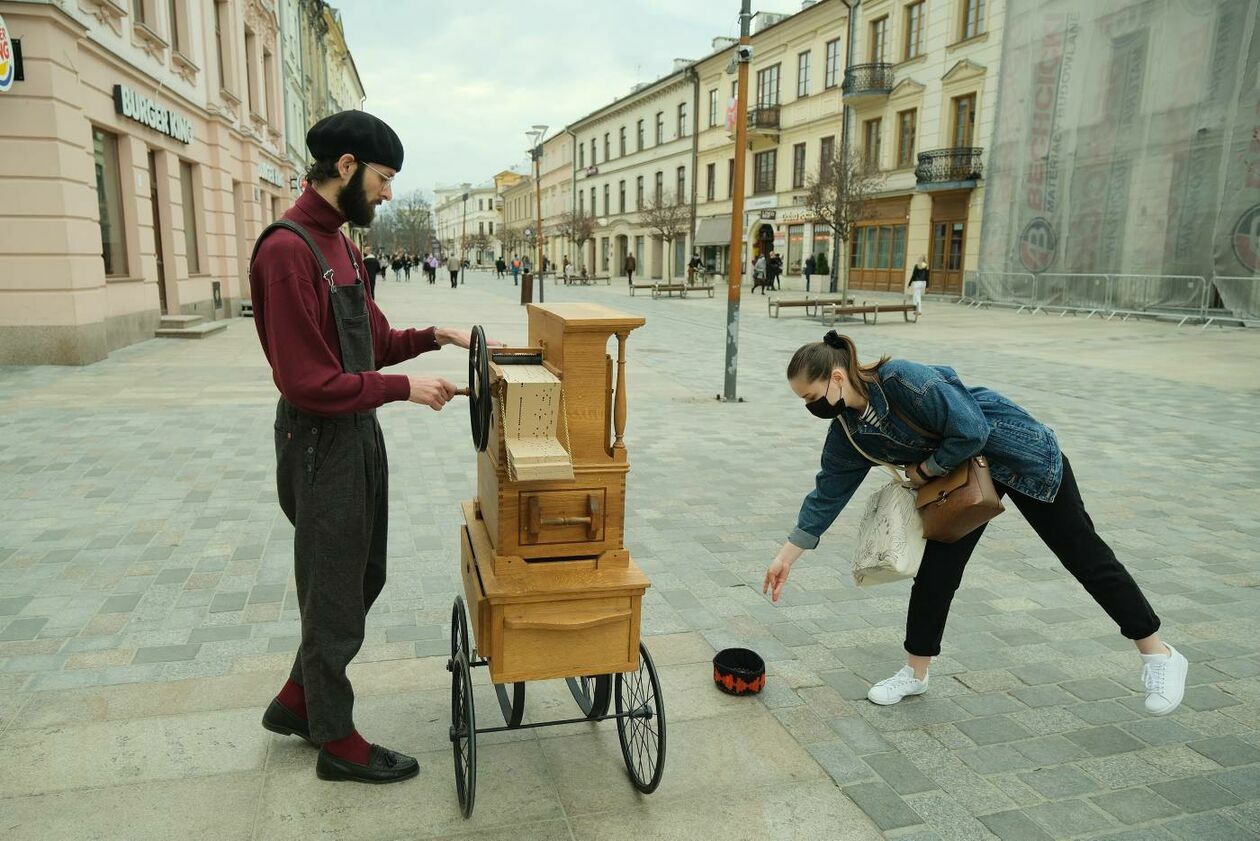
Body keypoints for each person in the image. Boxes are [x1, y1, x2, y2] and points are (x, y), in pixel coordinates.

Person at [763, 331, 1188, 716]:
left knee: (1083, 554)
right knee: (936, 573)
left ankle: (1158, 654)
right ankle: (916, 672)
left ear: (837, 378)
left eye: (810, 395)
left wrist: (925, 470)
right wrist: (788, 555)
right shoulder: (850, 431)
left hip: (1019, 455)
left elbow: (971, 428)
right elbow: (828, 491)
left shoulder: (902, 379)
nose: (810, 405)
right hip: (963, 482)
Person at [250, 110, 485, 784]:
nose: (387, 194)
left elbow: (373, 339)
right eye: (383, 179)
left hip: (358, 434)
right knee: (332, 589)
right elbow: (307, 380)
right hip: (320, 440)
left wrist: (433, 335)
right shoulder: (287, 251)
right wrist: (403, 387)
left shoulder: (344, 247)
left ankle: (298, 698)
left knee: (363, 574)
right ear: (347, 167)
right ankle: (335, 736)